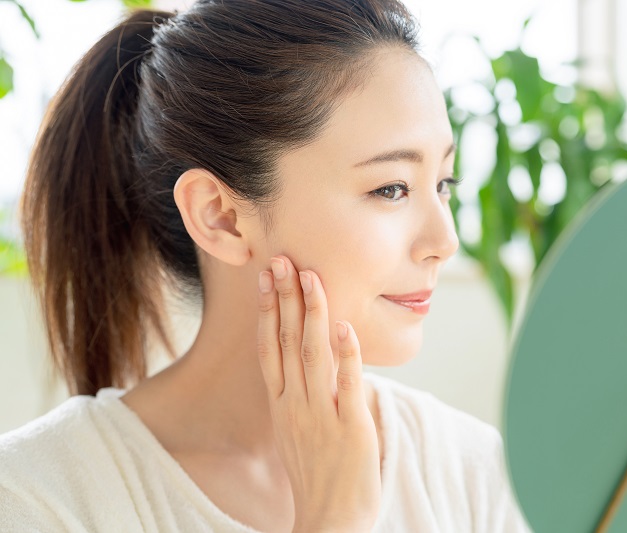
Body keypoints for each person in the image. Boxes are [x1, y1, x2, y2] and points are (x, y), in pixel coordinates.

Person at [0, 1, 532, 531]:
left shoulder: (470, 470)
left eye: (443, 184)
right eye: (390, 188)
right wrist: (333, 521)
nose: (445, 240)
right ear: (221, 217)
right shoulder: (37, 498)